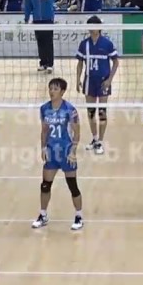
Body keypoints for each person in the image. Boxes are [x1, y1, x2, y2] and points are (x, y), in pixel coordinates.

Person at [35, 78, 84, 230]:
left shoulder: (70, 109)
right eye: (50, 88)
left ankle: (79, 216)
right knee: (45, 186)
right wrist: (43, 148)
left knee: (72, 186)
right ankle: (43, 215)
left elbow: (77, 132)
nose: (52, 91)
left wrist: (73, 151)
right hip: (52, 152)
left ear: (62, 91)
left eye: (55, 89)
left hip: (66, 152)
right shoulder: (44, 108)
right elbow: (44, 130)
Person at [76, 17, 119, 154]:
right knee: (90, 112)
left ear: (100, 27)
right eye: (90, 26)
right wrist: (77, 79)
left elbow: (116, 62)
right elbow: (80, 63)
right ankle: (94, 139)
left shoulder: (107, 43)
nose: (93, 28)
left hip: (103, 82)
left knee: (102, 113)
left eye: (95, 25)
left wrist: (109, 80)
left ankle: (100, 141)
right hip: (89, 81)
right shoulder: (84, 44)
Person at [23, 0, 58, 73]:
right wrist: (27, 17)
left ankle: (50, 64)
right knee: (40, 41)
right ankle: (43, 63)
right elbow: (28, 4)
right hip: (37, 19)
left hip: (48, 18)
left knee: (48, 41)